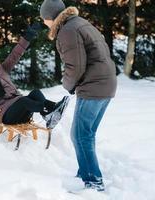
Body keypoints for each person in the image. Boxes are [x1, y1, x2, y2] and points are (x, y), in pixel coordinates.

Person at [40, 0, 117, 191]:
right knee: (85, 134)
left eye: (44, 19)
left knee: (81, 135)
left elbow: (75, 66)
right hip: (105, 84)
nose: (44, 23)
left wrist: (68, 85)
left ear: (51, 17)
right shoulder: (79, 23)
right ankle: (85, 173)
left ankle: (93, 181)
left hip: (94, 87)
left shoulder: (67, 31)